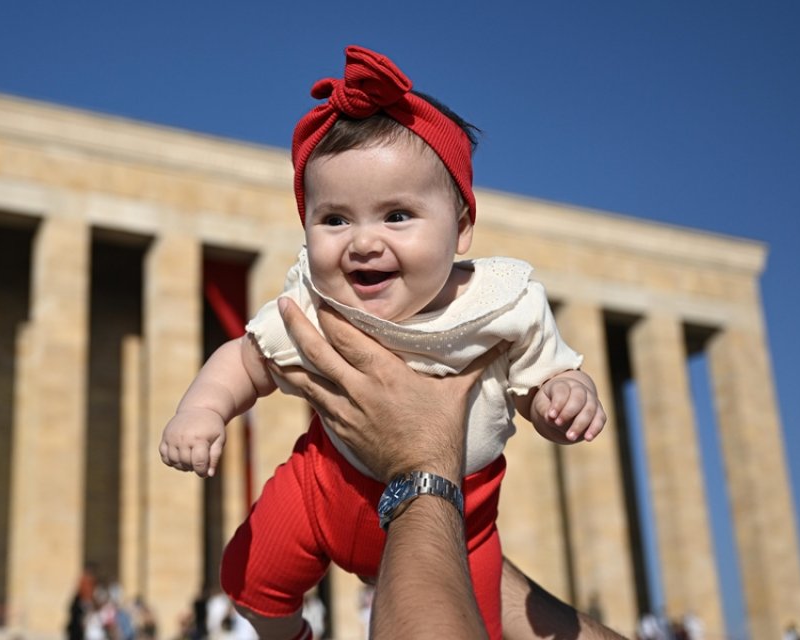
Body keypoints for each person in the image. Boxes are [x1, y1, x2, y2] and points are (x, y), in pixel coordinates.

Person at [159, 45, 606, 640]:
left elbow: (543, 382)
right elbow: (246, 359)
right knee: (250, 580)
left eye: (397, 216)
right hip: (322, 489)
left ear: (463, 228)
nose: (363, 242)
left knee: (478, 625)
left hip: (459, 521)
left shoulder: (502, 307)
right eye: (336, 219)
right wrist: (202, 409)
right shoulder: (316, 308)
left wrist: (564, 397)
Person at [275, 296, 624, 638]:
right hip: (385, 517)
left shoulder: (514, 301)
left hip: (448, 515)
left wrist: (422, 468)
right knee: (261, 581)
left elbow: (547, 374)